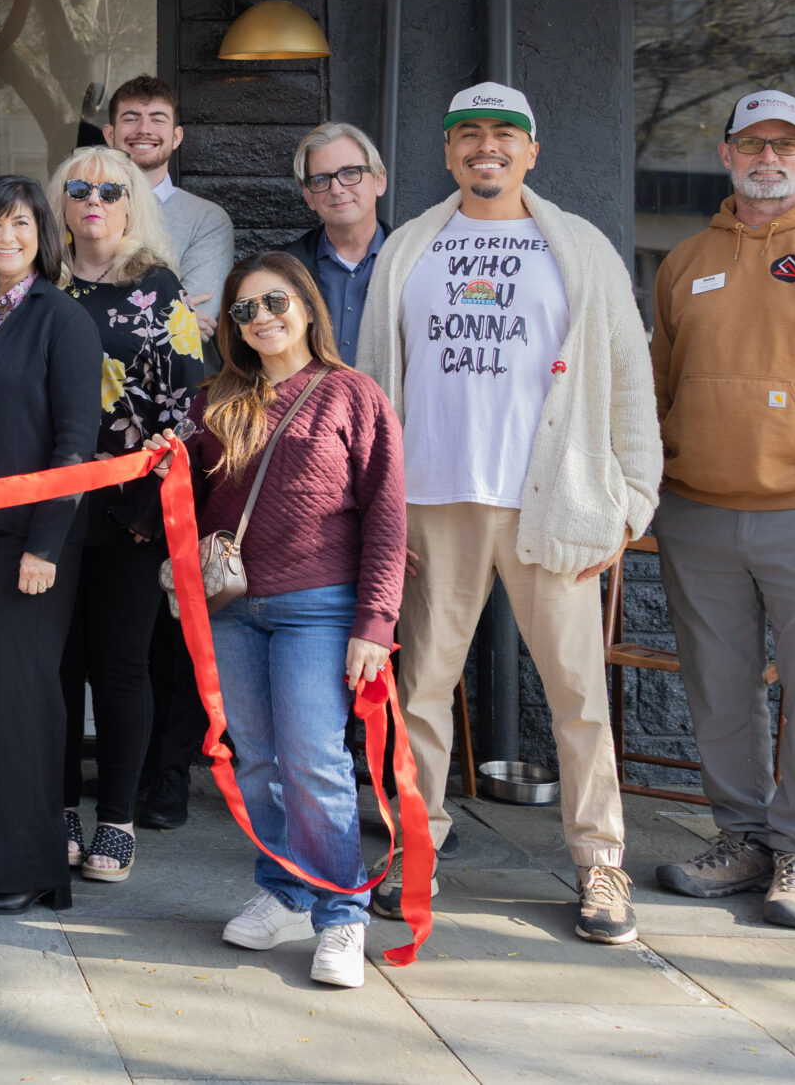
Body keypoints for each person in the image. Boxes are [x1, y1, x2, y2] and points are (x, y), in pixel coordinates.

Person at [355, 82, 660, 944]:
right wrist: (378, 509)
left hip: (551, 503)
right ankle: (417, 847)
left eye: (503, 133)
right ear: (448, 151)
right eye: (469, 133)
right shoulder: (410, 247)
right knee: (420, 691)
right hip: (431, 502)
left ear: (532, 150)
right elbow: (376, 383)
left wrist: (631, 503)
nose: (485, 146)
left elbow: (628, 380)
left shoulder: (581, 248)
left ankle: (600, 859)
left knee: (578, 694)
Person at [648, 89, 795, 930]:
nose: (768, 158)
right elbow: (657, 391)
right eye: (752, 143)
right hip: (698, 511)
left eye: (785, 144)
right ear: (726, 154)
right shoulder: (685, 262)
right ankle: (744, 839)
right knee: (719, 690)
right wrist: (643, 488)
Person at [155, 253, 405, 988]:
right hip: (235, 608)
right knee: (259, 760)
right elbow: (190, 503)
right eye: (245, 310)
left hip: (319, 606)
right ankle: (286, 890)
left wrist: (376, 620)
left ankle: (342, 913)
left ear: (306, 305)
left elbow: (387, 515)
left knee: (313, 762)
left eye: (275, 301)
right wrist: (165, 466)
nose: (261, 317)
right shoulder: (214, 401)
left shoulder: (353, 393)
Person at [0, 175, 100, 913]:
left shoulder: (61, 317)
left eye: (22, 224)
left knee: (23, 696)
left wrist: (46, 544)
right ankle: (11, 863)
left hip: (29, 536)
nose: (6, 236)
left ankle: (29, 870)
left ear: (43, 235)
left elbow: (75, 443)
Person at [48, 146, 210, 884]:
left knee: (119, 665)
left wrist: (151, 507)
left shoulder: (157, 287)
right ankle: (60, 810)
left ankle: (116, 818)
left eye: (110, 190)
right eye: (79, 188)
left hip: (129, 513)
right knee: (56, 665)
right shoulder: (41, 282)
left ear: (130, 204)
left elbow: (188, 409)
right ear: (61, 202)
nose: (94, 200)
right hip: (49, 509)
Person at [106, 75, 234, 326]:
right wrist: (168, 312)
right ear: (110, 135)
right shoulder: (84, 208)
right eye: (131, 118)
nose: (144, 129)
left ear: (176, 137)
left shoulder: (207, 220)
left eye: (157, 119)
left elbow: (197, 317)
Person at [284, 123, 391, 366]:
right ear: (309, 197)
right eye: (321, 179)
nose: (336, 189)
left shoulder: (412, 262)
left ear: (379, 181)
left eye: (350, 173)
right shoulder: (286, 269)